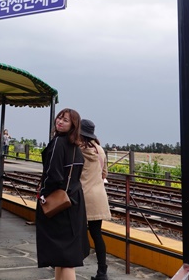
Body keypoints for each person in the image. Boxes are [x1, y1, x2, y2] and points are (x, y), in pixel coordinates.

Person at [36, 108, 89, 280]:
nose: (60, 121)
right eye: (59, 117)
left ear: (73, 125)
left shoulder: (59, 142)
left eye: (66, 120)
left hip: (59, 205)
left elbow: (53, 175)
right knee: (63, 255)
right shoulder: (75, 146)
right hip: (74, 202)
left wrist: (43, 195)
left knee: (65, 258)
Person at [79, 119, 111, 280]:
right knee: (96, 234)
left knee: (75, 231)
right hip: (99, 197)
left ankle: (67, 263)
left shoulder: (79, 150)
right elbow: (104, 174)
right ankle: (102, 272)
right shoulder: (100, 150)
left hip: (83, 196)